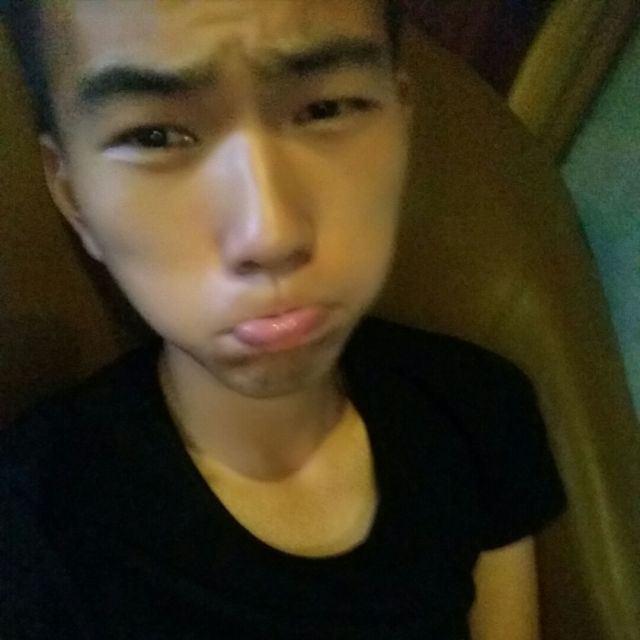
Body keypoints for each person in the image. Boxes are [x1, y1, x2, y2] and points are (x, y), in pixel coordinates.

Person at [0, 1, 566, 638]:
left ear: (402, 124)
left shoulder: (478, 412)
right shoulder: (32, 522)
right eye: (154, 136)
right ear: (73, 194)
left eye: (326, 109)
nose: (269, 236)